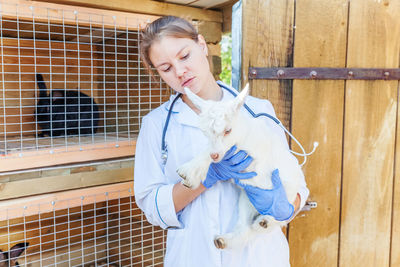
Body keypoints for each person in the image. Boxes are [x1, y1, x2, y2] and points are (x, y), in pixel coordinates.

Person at [134, 15, 309, 267]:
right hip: (194, 257)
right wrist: (205, 177)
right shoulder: (156, 125)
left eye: (184, 56)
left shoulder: (257, 110)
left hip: (260, 257)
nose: (180, 72)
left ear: (202, 46)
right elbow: (152, 206)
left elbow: (297, 184)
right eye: (166, 68)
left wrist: (283, 209)